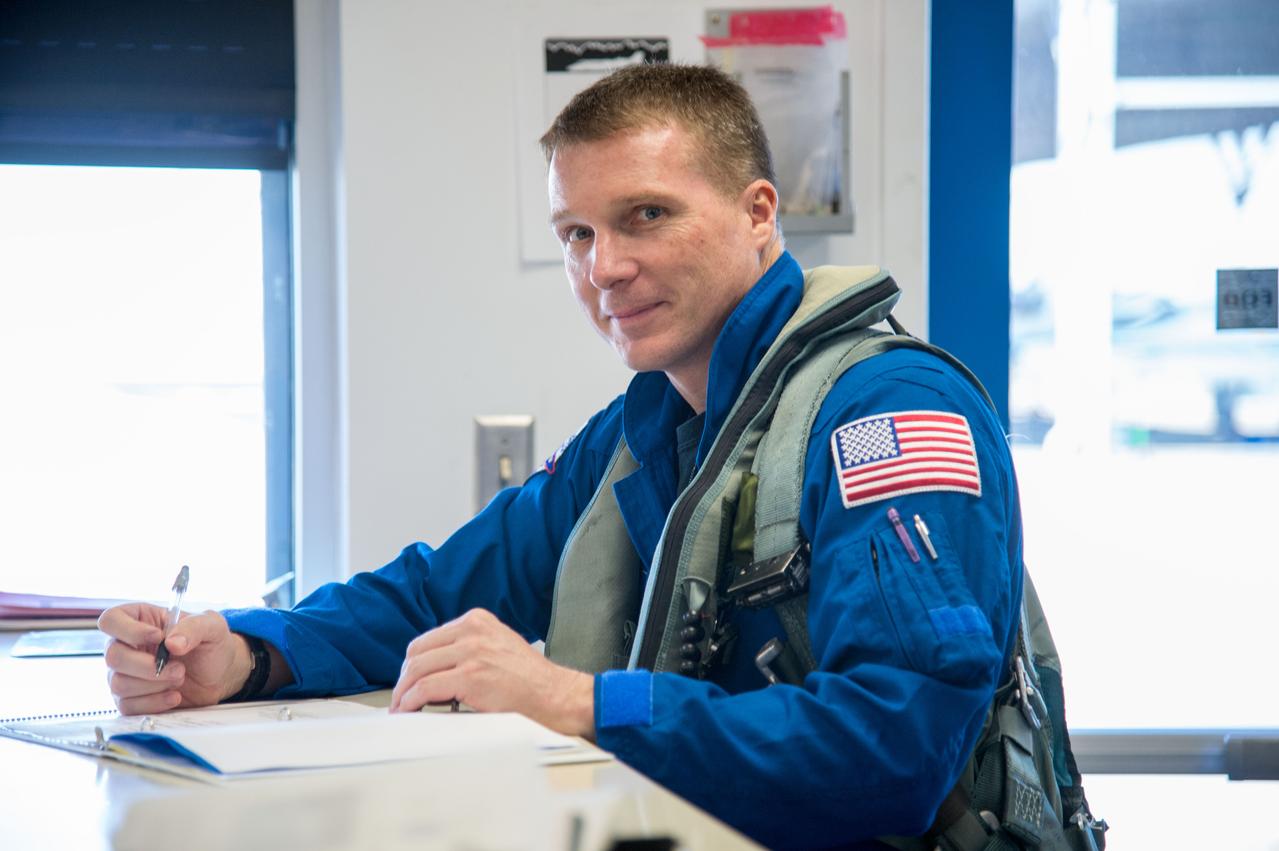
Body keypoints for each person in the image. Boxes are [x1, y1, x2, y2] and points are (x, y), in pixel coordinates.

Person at [99, 64, 1031, 849]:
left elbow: (893, 749)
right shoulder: (644, 431)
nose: (603, 267)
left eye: (646, 215)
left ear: (758, 214)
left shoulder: (889, 414)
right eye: (577, 233)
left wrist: (580, 701)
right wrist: (251, 653)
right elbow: (438, 595)